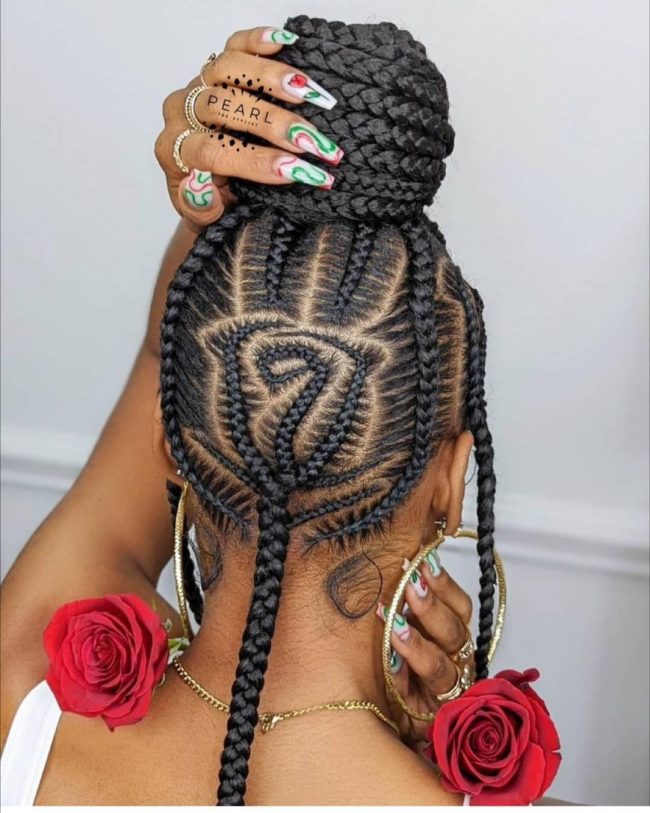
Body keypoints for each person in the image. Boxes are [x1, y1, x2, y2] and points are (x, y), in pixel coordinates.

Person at [1, 16, 560, 806]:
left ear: (173, 440)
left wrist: (216, 193)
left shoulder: (24, 698)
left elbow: (164, 353)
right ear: (453, 479)